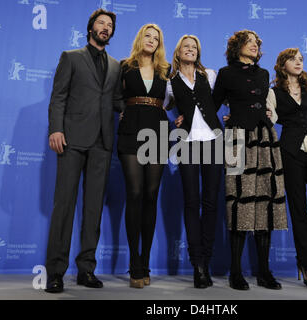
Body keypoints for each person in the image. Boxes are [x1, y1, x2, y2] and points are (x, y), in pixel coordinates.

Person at [45, 9, 123, 293]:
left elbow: (116, 100)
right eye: (101, 23)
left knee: (93, 210)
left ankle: (86, 269)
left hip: (102, 142)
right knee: (64, 206)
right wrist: (56, 129)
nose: (105, 27)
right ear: (90, 28)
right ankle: (55, 272)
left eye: (110, 25)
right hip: (72, 139)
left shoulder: (116, 66)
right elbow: (58, 97)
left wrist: (135, 111)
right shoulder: (71, 57)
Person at [212, 30, 287, 291]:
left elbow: (266, 104)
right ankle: (235, 272)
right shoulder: (225, 73)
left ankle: (264, 271)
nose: (255, 45)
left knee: (265, 202)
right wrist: (187, 120)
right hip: (237, 139)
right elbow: (212, 105)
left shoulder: (264, 74)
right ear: (237, 46)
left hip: (265, 138)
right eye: (249, 42)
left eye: (257, 43)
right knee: (239, 203)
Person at [267, 48, 307, 291]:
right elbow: (269, 118)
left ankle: (304, 258)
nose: (298, 62)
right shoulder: (273, 93)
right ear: (282, 64)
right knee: (297, 208)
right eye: (292, 59)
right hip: (290, 153)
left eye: (301, 59)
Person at [166, 35, 223, 288]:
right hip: (187, 143)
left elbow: (223, 99)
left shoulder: (209, 75)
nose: (190, 50)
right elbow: (164, 106)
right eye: (186, 47)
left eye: (194, 47)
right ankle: (197, 264)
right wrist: (177, 119)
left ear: (198, 53)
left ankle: (206, 262)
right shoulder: (169, 82)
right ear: (178, 52)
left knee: (210, 202)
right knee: (191, 202)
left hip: (213, 141)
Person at [117, 24, 170, 289]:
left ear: (160, 43)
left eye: (156, 38)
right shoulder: (125, 66)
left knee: (151, 194)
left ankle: (146, 261)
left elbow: (183, 95)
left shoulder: (166, 69)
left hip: (158, 131)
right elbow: (114, 96)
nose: (151, 40)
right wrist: (120, 110)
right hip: (130, 131)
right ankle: (135, 263)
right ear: (140, 39)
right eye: (147, 36)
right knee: (135, 193)